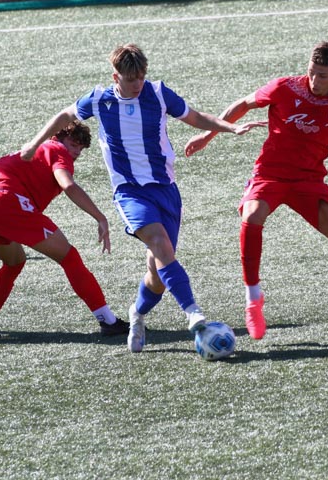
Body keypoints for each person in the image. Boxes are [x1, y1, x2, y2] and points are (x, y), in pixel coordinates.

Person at [20, 44, 260, 353]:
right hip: (130, 191)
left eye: (141, 77)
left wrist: (230, 128)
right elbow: (64, 115)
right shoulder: (99, 99)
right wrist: (33, 144)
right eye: (130, 79)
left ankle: (137, 313)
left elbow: (194, 116)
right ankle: (193, 313)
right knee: (159, 243)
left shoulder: (158, 93)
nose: (137, 84)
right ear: (115, 77)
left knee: (157, 273)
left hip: (166, 189)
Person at [184, 42, 328, 341]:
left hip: (310, 182)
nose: (314, 80)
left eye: (322, 75)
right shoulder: (284, 87)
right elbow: (243, 104)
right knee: (252, 216)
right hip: (270, 175)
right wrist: (208, 135)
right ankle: (253, 299)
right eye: (311, 72)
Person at [0, 120, 129, 343]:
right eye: (73, 144)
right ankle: (108, 321)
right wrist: (100, 217)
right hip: (6, 200)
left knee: (14, 262)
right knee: (69, 257)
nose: (76, 152)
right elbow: (67, 185)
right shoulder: (56, 150)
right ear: (56, 138)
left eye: (80, 148)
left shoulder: (31, 153)